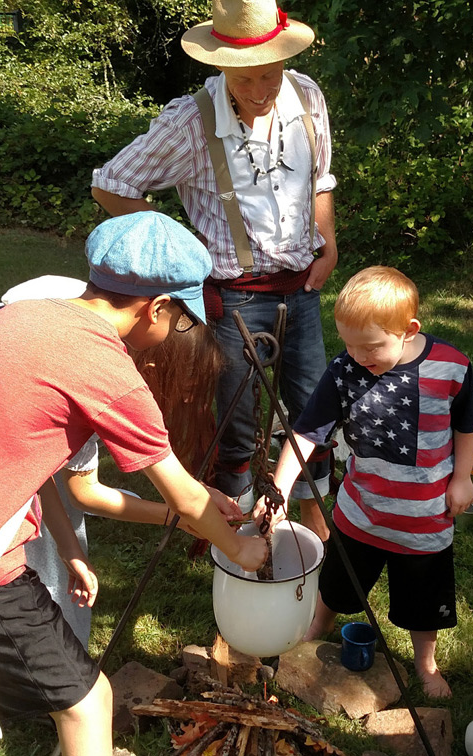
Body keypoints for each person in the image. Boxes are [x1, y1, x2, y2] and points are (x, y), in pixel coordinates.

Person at [0, 211, 268, 756]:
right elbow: (187, 495)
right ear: (159, 307)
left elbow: (27, 466)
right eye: (182, 319)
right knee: (88, 702)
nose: (178, 332)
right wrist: (242, 548)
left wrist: (71, 550)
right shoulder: (106, 368)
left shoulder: (18, 318)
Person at [91, 0, 338, 540]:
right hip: (233, 296)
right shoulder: (190, 122)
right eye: (246, 78)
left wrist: (329, 241)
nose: (259, 90)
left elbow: (321, 177)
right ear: (221, 64)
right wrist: (180, 247)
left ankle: (316, 532)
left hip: (302, 287)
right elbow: (111, 184)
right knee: (235, 423)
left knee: (316, 411)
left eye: (270, 75)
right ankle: (241, 543)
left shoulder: (307, 95)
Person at [0, 276, 225, 645]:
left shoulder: (93, 305)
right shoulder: (93, 365)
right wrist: (184, 516)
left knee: (38, 523)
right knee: (19, 552)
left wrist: (70, 547)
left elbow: (44, 474)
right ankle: (39, 646)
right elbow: (84, 492)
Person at [260, 266, 473, 697]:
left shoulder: (452, 367)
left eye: (371, 346)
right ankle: (315, 628)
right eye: (347, 342)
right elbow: (307, 431)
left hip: (425, 521)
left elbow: (468, 424)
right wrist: (280, 487)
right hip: (360, 512)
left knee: (423, 602)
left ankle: (426, 663)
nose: (358, 355)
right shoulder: (346, 369)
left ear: (409, 329)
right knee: (337, 583)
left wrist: (463, 477)